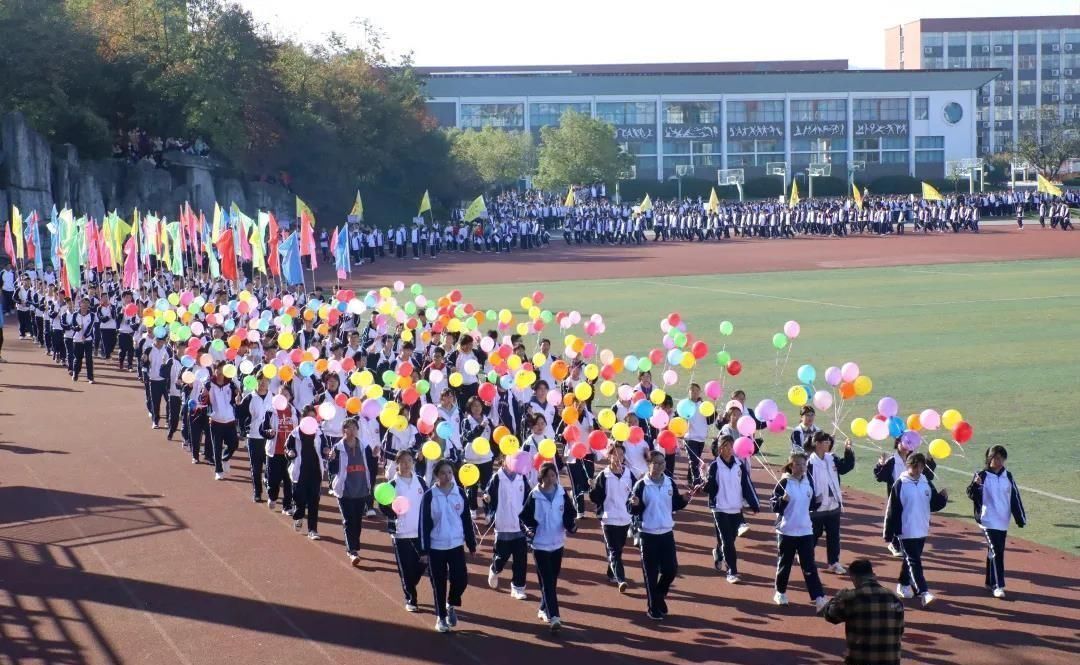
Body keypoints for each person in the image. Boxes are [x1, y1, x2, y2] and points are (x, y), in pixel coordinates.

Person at [628, 450, 690, 620]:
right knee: (651, 573)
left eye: (662, 463)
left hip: (666, 532)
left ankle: (659, 595)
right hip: (648, 534)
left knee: (671, 570)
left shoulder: (670, 482)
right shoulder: (641, 485)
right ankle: (653, 608)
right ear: (648, 464)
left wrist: (684, 499)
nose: (659, 466)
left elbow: (674, 504)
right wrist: (635, 505)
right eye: (655, 463)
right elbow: (633, 510)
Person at [883, 452, 949, 607]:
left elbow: (933, 504)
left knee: (910, 559)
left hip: (922, 528)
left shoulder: (925, 482)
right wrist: (888, 532)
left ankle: (903, 584)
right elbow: (891, 509)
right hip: (906, 529)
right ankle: (923, 592)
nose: (918, 469)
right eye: (915, 466)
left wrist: (943, 498)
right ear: (909, 466)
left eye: (920, 466)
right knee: (914, 560)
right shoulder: (900, 484)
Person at [418, 459, 477, 633]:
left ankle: (451, 603)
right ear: (436, 475)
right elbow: (424, 524)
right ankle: (441, 617)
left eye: (450, 472)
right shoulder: (429, 495)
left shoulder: (459, 492)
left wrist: (471, 543)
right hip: (437, 547)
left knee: (461, 580)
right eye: (443, 473)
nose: (447, 476)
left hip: (456, 545)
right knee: (439, 583)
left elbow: (466, 519)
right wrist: (424, 550)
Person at [519, 461, 577, 632]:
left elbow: (569, 513)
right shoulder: (534, 496)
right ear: (541, 477)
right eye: (549, 476)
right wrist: (529, 531)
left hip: (557, 543)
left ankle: (544, 608)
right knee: (548, 582)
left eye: (554, 475)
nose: (552, 479)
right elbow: (524, 518)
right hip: (540, 545)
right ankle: (555, 617)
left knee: (552, 579)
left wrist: (571, 526)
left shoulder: (561, 492)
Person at [966, 444, 1027, 599]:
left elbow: (1014, 497)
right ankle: (998, 585)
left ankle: (988, 581)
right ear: (989, 458)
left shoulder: (1008, 476)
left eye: (1001, 458)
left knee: (993, 550)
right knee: (997, 550)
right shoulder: (982, 475)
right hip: (987, 519)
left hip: (1002, 519)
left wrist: (1020, 517)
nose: (998, 461)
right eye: (995, 457)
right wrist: (976, 485)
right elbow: (971, 494)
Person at [771, 452, 829, 612]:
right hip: (787, 531)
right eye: (797, 464)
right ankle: (780, 592)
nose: (801, 467)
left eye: (803, 464)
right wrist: (782, 500)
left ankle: (819, 597)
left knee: (809, 565)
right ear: (791, 465)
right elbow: (774, 506)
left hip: (805, 531)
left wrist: (817, 502)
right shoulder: (783, 482)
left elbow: (810, 506)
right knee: (785, 564)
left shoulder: (808, 482)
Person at [821, 558, 905, 665]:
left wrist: (837, 598)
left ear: (853, 577)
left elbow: (830, 616)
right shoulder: (894, 597)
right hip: (891, 661)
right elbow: (900, 630)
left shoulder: (851, 597)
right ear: (873, 574)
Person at [702, 435, 759, 583]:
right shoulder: (714, 466)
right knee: (728, 541)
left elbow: (746, 485)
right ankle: (732, 571)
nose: (728, 449)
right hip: (719, 508)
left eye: (730, 446)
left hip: (735, 508)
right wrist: (704, 478)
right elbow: (710, 488)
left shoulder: (739, 464)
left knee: (730, 538)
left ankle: (719, 553)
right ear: (719, 448)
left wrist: (754, 503)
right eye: (725, 446)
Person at [380, 450, 429, 612]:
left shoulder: (421, 482)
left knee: (423, 563)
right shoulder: (392, 485)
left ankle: (409, 584)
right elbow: (383, 505)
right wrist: (394, 513)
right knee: (406, 567)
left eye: (409, 460)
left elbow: (429, 502)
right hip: (401, 533)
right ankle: (411, 598)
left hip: (420, 532)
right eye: (403, 461)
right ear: (397, 464)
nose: (406, 464)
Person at [806, 432, 856, 575]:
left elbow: (846, 467)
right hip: (817, 507)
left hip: (833, 505)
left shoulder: (832, 458)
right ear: (817, 443)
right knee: (814, 535)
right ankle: (807, 558)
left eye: (828, 441)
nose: (828, 443)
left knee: (833, 536)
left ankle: (833, 563)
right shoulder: (809, 462)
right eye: (825, 441)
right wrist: (811, 502)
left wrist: (848, 451)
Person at [588, 442, 635, 591]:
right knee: (614, 549)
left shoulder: (629, 474)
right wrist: (593, 487)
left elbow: (635, 493)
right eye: (615, 454)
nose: (618, 457)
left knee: (618, 549)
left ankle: (611, 571)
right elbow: (596, 498)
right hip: (608, 518)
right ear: (609, 456)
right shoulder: (604, 475)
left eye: (621, 454)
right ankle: (621, 579)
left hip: (625, 517)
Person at [484, 457, 530, 600]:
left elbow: (528, 497)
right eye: (508, 459)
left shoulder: (522, 477)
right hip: (503, 524)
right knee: (501, 556)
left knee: (521, 559)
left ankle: (518, 587)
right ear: (503, 460)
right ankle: (495, 568)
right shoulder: (497, 478)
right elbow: (488, 496)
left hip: (520, 526)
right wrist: (488, 503)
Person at [329, 419, 374, 564]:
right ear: (344, 430)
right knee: (349, 520)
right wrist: (331, 460)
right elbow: (332, 470)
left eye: (355, 428)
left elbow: (371, 466)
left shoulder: (364, 446)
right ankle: (352, 550)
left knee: (358, 520)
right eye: (349, 428)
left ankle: (354, 545)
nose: (352, 430)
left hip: (360, 488)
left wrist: (375, 455)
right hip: (345, 489)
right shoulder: (338, 448)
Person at [287, 405, 330, 540]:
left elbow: (325, 447)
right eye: (309, 417)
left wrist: (326, 451)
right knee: (300, 498)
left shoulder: (319, 432)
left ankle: (313, 529)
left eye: (314, 417)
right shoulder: (295, 433)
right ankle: (298, 515)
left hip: (315, 471)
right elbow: (288, 449)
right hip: (300, 471)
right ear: (303, 418)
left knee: (314, 501)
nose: (312, 420)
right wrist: (290, 453)